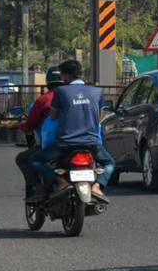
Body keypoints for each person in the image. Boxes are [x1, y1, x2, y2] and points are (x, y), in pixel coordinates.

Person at [31, 60, 114, 201]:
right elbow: (99, 117)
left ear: (67, 76)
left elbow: (53, 116)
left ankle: (60, 181)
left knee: (35, 160)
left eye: (63, 76)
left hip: (65, 144)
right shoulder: (97, 91)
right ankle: (97, 187)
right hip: (91, 143)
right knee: (109, 163)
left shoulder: (61, 91)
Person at [14, 67, 63, 200]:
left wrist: (19, 126)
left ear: (48, 82)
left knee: (23, 159)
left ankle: (39, 188)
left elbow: (30, 125)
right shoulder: (74, 98)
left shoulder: (44, 100)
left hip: (52, 145)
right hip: (83, 142)